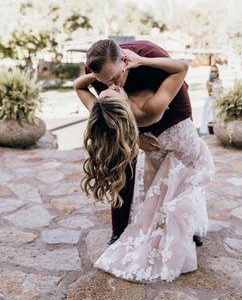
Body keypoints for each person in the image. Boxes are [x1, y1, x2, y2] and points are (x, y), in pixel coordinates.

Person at [74, 49, 215, 282]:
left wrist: (101, 77)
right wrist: (141, 62)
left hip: (163, 146)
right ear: (122, 109)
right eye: (110, 91)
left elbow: (79, 85)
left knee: (164, 195)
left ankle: (182, 230)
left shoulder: (102, 109)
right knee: (179, 194)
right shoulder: (149, 110)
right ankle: (180, 236)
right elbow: (180, 68)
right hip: (176, 145)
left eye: (108, 87)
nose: (110, 88)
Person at [80, 39, 200, 247]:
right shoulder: (100, 71)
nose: (113, 85)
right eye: (106, 81)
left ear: (126, 61)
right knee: (122, 166)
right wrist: (135, 137)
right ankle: (119, 230)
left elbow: (181, 72)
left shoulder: (152, 56)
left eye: (116, 77)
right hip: (124, 118)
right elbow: (84, 89)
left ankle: (187, 224)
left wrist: (142, 61)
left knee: (179, 173)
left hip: (169, 110)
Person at [200, 64, 222, 135]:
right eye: (212, 71)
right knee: (211, 118)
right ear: (210, 72)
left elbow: (220, 90)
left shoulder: (220, 80)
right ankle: (211, 133)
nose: (214, 73)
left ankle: (218, 133)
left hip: (218, 100)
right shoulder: (208, 81)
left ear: (218, 72)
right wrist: (211, 83)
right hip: (211, 100)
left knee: (219, 118)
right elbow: (209, 92)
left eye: (216, 71)